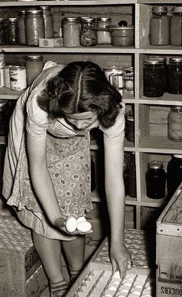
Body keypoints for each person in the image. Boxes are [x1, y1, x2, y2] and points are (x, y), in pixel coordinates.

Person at [2, 61, 131, 297]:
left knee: (72, 201)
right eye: (74, 119)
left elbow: (113, 181)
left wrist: (117, 243)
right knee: (40, 209)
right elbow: (38, 167)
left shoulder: (113, 110)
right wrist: (56, 218)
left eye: (87, 120)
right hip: (34, 132)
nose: (81, 126)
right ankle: (57, 282)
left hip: (66, 137)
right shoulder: (40, 104)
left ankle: (76, 271)